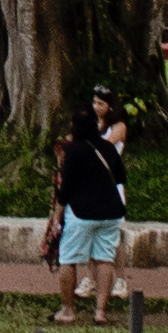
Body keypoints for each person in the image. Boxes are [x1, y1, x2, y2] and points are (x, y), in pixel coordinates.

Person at [47, 88, 134, 320]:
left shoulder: (72, 151)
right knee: (105, 259)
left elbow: (65, 188)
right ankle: (100, 312)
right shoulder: (108, 148)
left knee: (68, 259)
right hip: (111, 212)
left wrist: (58, 214)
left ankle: (68, 309)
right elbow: (120, 177)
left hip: (82, 213)